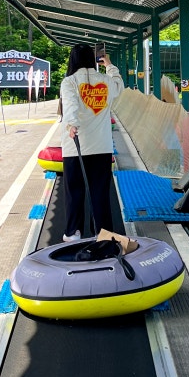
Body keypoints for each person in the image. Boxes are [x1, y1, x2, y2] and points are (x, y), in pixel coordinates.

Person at [59, 43, 124, 242]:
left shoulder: (69, 82)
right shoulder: (105, 80)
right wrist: (110, 66)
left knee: (74, 192)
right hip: (101, 147)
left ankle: (73, 233)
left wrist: (72, 124)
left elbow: (70, 103)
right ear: (93, 59)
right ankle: (102, 234)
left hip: (74, 147)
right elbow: (119, 87)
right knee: (100, 192)